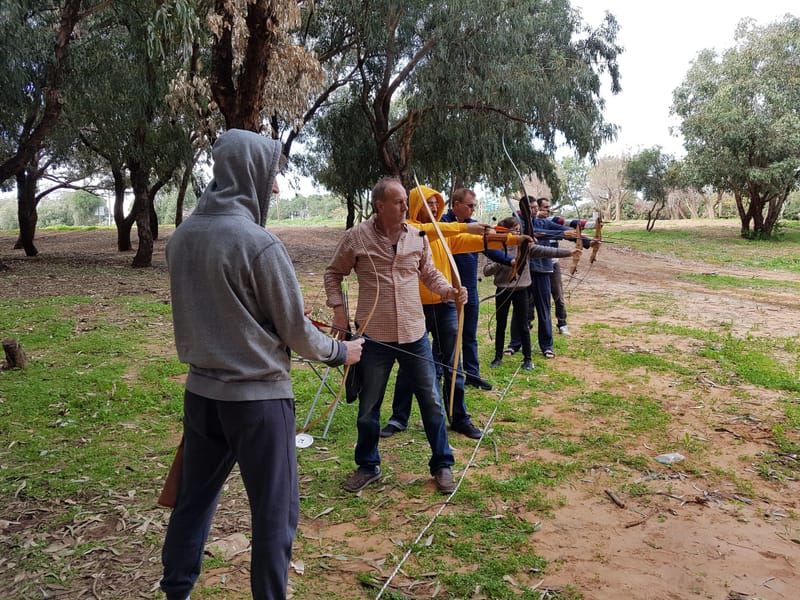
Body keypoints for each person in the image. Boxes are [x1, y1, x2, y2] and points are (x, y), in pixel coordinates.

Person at [161, 129, 364, 600]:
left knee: (193, 500)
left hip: (201, 397)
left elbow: (227, 309)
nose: (274, 187)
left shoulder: (181, 238)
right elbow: (296, 331)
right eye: (271, 174)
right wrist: (342, 352)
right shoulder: (259, 244)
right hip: (258, 403)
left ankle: (175, 590)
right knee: (275, 515)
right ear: (249, 171)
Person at [324, 177, 466, 494]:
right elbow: (333, 273)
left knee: (432, 401)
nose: (405, 207)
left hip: (415, 334)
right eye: (399, 202)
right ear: (380, 205)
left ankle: (442, 464)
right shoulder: (356, 237)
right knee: (368, 406)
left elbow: (430, 274)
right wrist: (338, 311)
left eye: (405, 201)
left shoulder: (417, 236)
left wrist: (449, 292)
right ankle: (367, 466)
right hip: (374, 336)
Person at [380, 184, 524, 440]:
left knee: (453, 362)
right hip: (414, 307)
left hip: (445, 304)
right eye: (428, 204)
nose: (434, 208)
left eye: (436, 204)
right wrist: (464, 226)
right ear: (415, 206)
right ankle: (399, 417)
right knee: (409, 364)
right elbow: (430, 231)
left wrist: (514, 240)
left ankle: (458, 417)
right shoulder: (408, 230)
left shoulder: (443, 233)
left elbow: (474, 241)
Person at [485, 217, 579, 371]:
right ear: (504, 231)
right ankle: (498, 357)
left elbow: (547, 251)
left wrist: (569, 252)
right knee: (500, 324)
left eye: (518, 230)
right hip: (503, 290)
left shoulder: (525, 246)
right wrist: (505, 261)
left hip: (521, 290)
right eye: (514, 230)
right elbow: (486, 271)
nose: (518, 233)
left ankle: (527, 359)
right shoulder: (496, 247)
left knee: (523, 324)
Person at [507, 196, 588, 359]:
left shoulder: (544, 222)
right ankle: (514, 344)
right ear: (523, 209)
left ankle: (546, 346)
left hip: (543, 270)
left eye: (536, 207)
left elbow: (564, 229)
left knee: (544, 309)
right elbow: (532, 233)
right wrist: (561, 234)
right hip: (524, 271)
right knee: (520, 309)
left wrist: (587, 241)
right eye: (531, 208)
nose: (535, 210)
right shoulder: (519, 223)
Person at [440, 188, 492, 390]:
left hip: (470, 288)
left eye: (474, 206)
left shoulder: (474, 226)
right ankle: (440, 373)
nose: (472, 209)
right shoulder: (443, 225)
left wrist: (512, 259)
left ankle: (472, 374)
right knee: (447, 336)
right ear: (456, 205)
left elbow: (488, 246)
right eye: (469, 205)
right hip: (449, 290)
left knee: (469, 334)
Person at [536, 198, 596, 336]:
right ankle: (528, 322)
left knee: (558, 295)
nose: (548, 210)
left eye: (549, 207)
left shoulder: (553, 220)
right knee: (532, 297)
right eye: (545, 207)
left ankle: (562, 324)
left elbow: (571, 226)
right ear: (537, 208)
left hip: (552, 264)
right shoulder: (531, 222)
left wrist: (592, 231)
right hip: (537, 265)